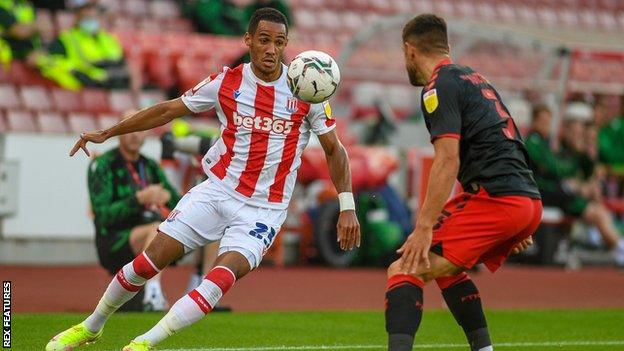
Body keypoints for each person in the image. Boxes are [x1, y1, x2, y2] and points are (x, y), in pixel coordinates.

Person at [46, 8, 360, 351]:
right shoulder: (227, 82)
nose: (272, 49)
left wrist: (347, 206)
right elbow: (168, 110)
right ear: (249, 40)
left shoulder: (306, 91)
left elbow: (335, 149)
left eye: (280, 42)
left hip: (264, 210)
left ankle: (143, 343)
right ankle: (91, 327)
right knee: (147, 263)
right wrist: (108, 133)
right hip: (217, 192)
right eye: (265, 40)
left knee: (219, 279)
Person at [385, 14, 542, 351]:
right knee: (442, 267)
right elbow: (510, 140)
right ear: (447, 47)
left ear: (409, 51)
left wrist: (424, 226)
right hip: (524, 198)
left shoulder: (438, 86)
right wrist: (520, 217)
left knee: (404, 269)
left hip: (499, 200)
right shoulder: (474, 78)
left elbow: (447, 159)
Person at [88, 121, 181, 312]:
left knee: (208, 221)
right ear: (119, 132)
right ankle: (153, 293)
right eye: (129, 129)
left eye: (140, 129)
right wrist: (138, 199)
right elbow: (104, 215)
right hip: (114, 239)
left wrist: (167, 197)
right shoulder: (103, 164)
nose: (134, 135)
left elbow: (177, 202)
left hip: (150, 231)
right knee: (158, 230)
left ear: (146, 135)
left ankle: (201, 288)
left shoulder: (150, 166)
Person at [525, 104, 624, 266]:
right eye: (543, 121)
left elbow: (563, 168)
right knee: (593, 209)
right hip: (543, 191)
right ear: (534, 121)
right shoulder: (534, 142)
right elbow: (552, 168)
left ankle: (615, 246)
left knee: (593, 202)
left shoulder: (546, 143)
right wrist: (573, 184)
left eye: (548, 121)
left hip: (554, 191)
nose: (547, 125)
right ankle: (619, 249)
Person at [42, 0, 129, 89]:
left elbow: (122, 63)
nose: (90, 21)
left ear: (100, 18)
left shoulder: (109, 39)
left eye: (94, 17)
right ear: (77, 18)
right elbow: (49, 61)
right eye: (86, 17)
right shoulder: (66, 39)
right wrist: (74, 72)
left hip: (113, 85)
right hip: (84, 86)